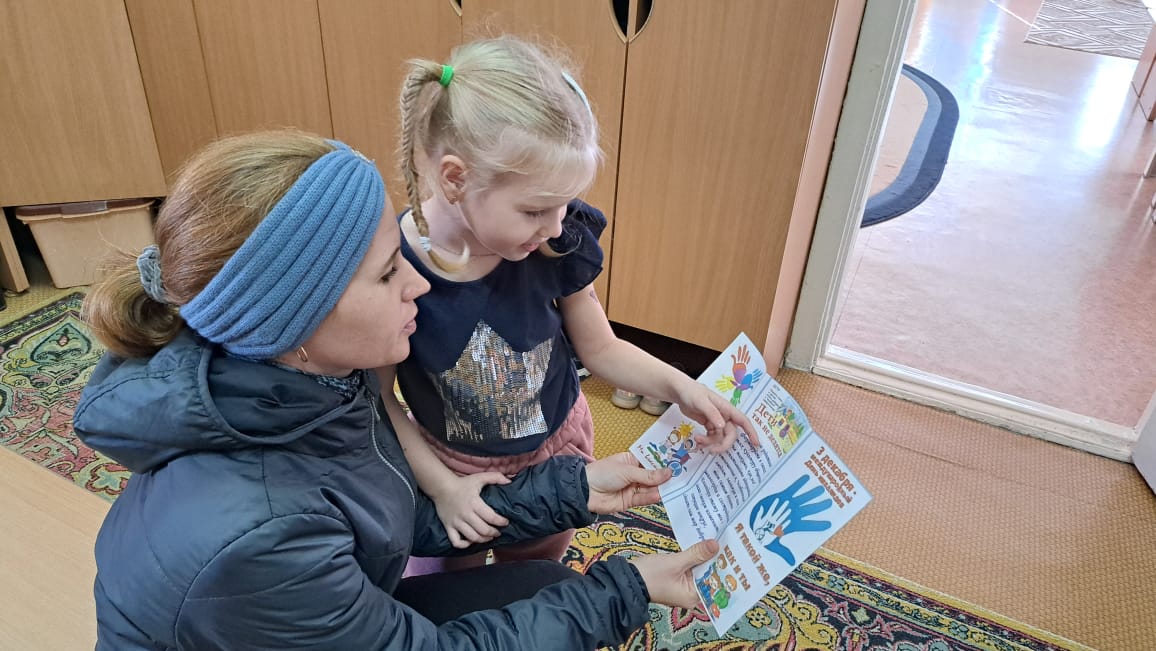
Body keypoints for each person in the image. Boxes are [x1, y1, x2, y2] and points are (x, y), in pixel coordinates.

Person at [74, 130, 719, 650]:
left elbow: (380, 513)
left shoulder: (311, 379)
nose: (419, 285)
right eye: (388, 274)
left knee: (545, 583)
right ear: (297, 320)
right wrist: (627, 589)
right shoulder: (263, 533)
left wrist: (572, 489)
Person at [385, 36, 759, 570]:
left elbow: (601, 348)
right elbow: (380, 401)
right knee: (454, 588)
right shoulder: (392, 268)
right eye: (536, 209)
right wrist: (443, 487)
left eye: (563, 205)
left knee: (535, 572)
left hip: (554, 452)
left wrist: (683, 388)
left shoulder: (554, 242)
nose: (556, 226)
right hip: (451, 468)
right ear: (455, 179)